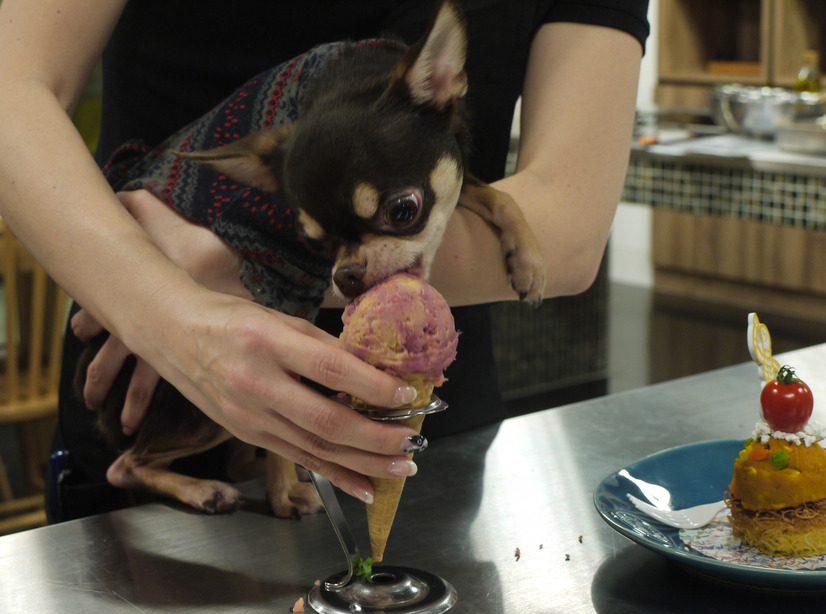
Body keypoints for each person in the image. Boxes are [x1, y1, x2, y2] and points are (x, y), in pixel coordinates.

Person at [0, 0, 649, 521]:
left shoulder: (420, 100)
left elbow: (567, 232)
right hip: (150, 379)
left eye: (397, 212)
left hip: (425, 417)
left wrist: (235, 258)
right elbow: (11, 85)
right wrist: (165, 311)